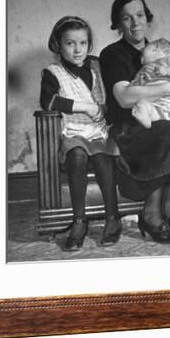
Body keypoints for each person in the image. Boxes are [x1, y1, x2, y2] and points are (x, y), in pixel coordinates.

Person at [99, 0, 170, 243]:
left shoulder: (161, 50)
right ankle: (152, 213)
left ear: (147, 17)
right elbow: (124, 97)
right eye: (127, 18)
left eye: (140, 15)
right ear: (118, 24)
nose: (135, 23)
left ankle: (169, 208)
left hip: (163, 115)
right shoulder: (112, 54)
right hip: (131, 125)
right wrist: (166, 88)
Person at [40, 15, 121, 251]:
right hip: (73, 131)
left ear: (89, 44)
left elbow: (113, 97)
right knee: (77, 156)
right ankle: (78, 221)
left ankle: (113, 217)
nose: (77, 50)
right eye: (70, 43)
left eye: (83, 43)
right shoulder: (52, 71)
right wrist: (85, 107)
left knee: (103, 159)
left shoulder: (97, 65)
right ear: (58, 44)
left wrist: (102, 109)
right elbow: (48, 101)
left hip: (99, 131)